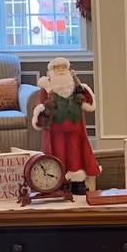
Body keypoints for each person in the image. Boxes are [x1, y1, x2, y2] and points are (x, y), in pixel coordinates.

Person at [31, 58, 99, 194]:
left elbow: (89, 104)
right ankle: (59, 182)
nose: (61, 71)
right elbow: (42, 108)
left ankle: (77, 182)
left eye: (63, 68)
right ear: (51, 72)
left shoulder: (75, 87)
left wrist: (84, 89)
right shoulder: (46, 90)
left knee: (76, 155)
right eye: (57, 68)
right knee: (57, 155)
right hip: (56, 132)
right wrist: (48, 94)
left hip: (76, 130)